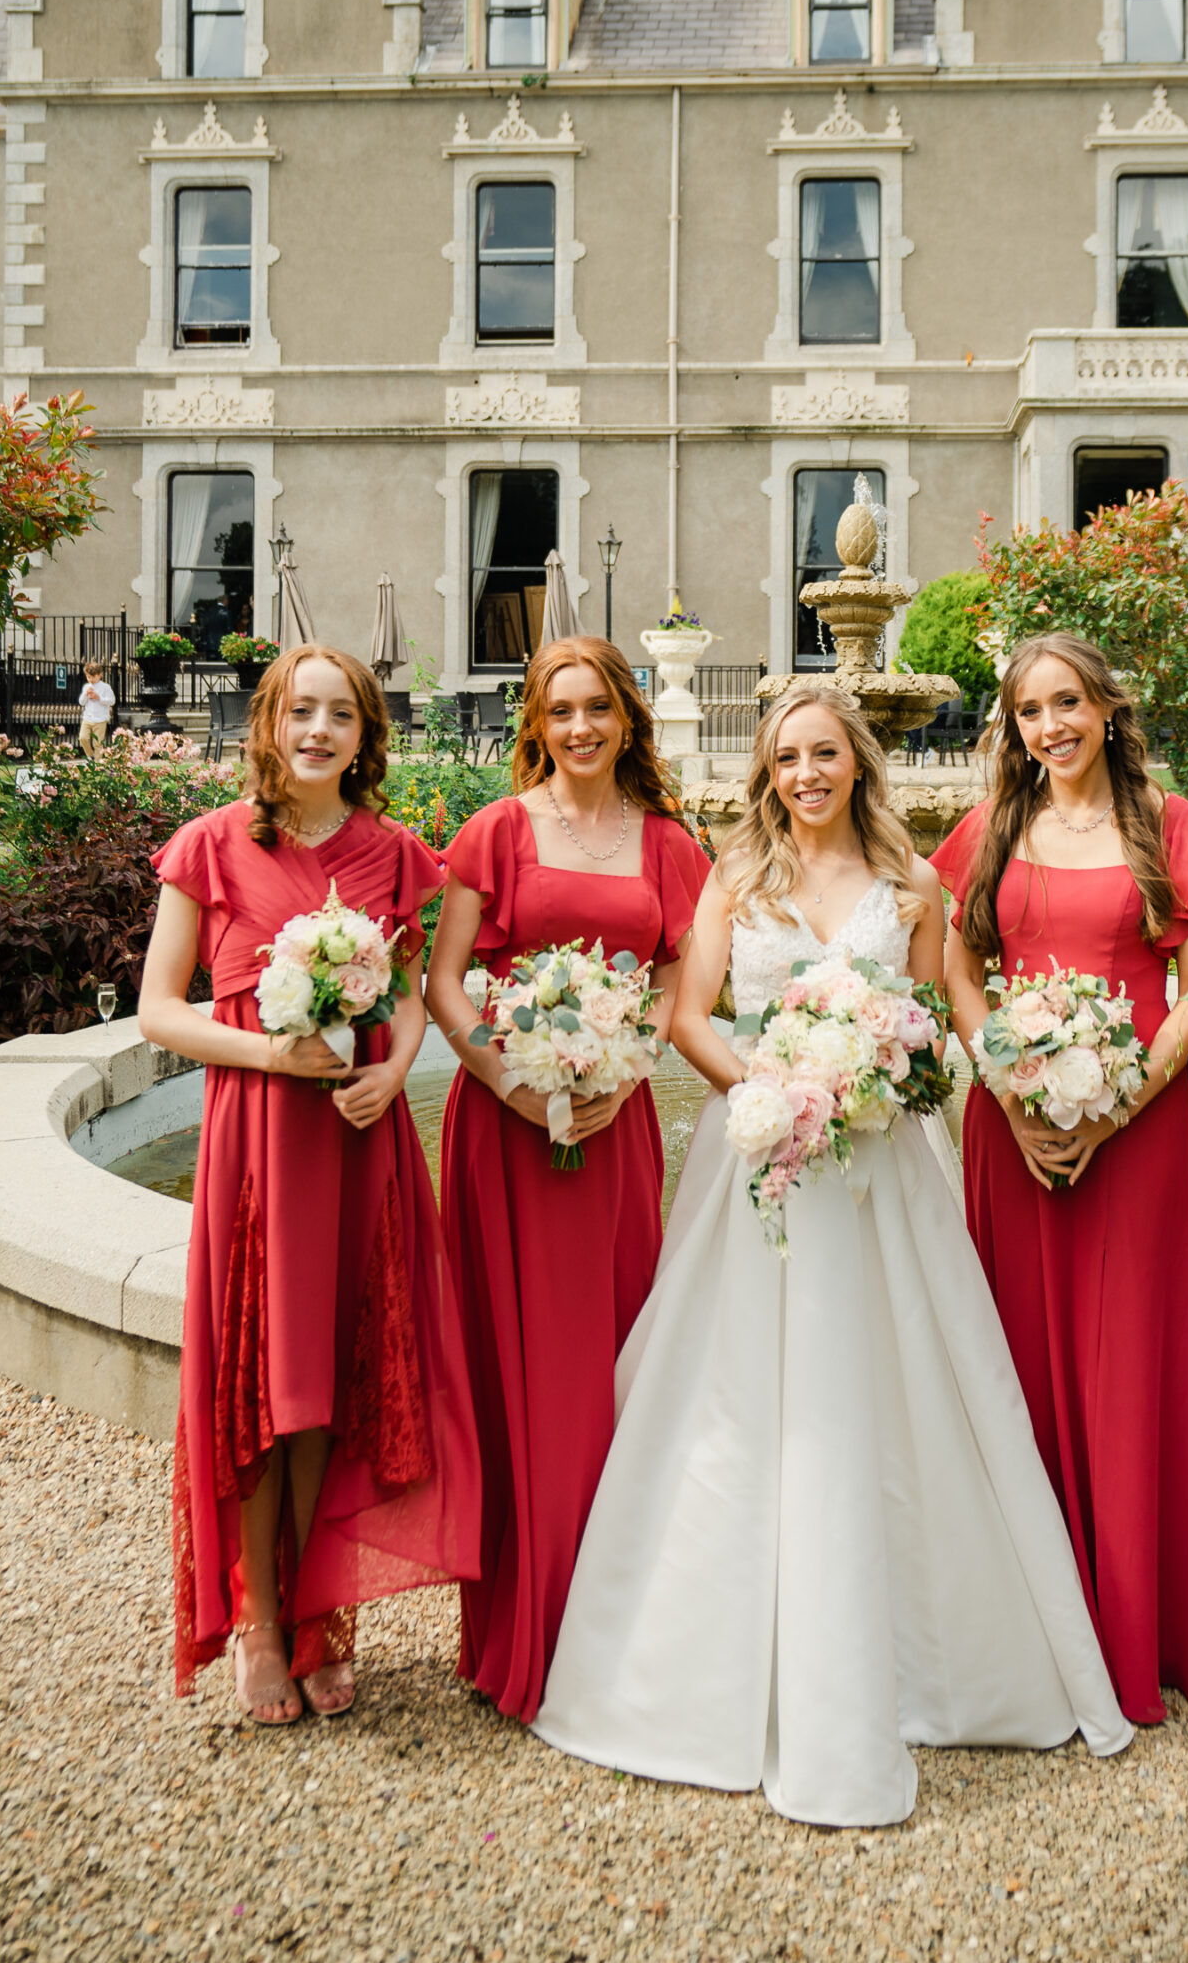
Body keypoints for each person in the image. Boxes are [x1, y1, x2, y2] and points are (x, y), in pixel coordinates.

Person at [534, 681, 1132, 1829]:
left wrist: (1024, 1081)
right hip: (760, 1154)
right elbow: (691, 1014)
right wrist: (770, 1085)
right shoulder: (736, 876)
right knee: (732, 1400)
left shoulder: (913, 886)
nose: (805, 774)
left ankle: (928, 1653)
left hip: (877, 1169)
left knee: (898, 1384)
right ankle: (703, 1670)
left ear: (858, 761)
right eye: (786, 759)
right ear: (768, 773)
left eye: (824, 754)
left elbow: (942, 1017)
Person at [139, 644, 482, 1725]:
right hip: (257, 1137)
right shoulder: (213, 846)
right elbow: (160, 1008)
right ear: (271, 725)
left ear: (365, 733)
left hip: (355, 1137)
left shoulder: (394, 854)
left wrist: (392, 1069)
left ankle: (328, 1616)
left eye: (342, 713)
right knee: (264, 1381)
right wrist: (266, 1057)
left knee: (334, 1376)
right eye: (302, 711)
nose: (320, 730)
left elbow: (421, 994)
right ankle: (258, 1614)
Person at [936, 634, 1188, 1728]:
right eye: (1029, 710)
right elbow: (960, 968)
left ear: (1107, 707)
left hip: (1139, 1127)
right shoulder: (993, 828)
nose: (1050, 725)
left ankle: (1136, 1626)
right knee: (1019, 1363)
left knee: (1129, 1366)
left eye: (1068, 702)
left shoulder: (1171, 822)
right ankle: (1033, 1626)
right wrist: (1007, 1088)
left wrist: (1121, 1103)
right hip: (1009, 1131)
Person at [424, 637, 711, 1723]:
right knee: (514, 1369)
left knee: (615, 1363)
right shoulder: (494, 834)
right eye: (562, 709)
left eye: (599, 707)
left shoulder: (672, 849)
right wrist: (508, 1081)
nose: (581, 726)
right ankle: (517, 1629)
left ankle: (617, 1627)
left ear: (627, 718)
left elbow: (681, 995)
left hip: (615, 1124)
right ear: (535, 723)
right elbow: (447, 982)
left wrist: (622, 1068)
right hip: (505, 1129)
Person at [77, 659, 115, 753]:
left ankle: (98, 765)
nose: (91, 679)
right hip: (88, 718)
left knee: (97, 744)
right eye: (88, 677)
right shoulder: (86, 687)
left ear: (100, 675)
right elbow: (81, 702)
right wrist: (85, 694)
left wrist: (99, 698)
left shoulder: (105, 687)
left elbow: (112, 701)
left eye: (93, 677)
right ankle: (90, 756)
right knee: (82, 738)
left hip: (100, 719)